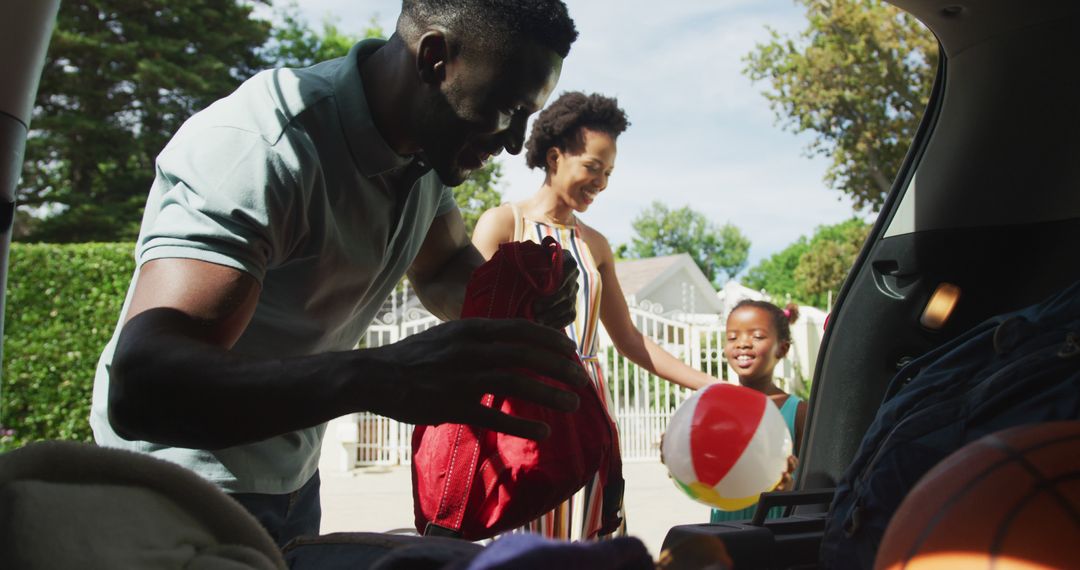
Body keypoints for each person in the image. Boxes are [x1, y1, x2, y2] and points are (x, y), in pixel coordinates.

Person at [89, 0, 585, 548]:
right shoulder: (262, 147)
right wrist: (381, 377)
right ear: (436, 58)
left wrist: (516, 298)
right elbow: (142, 386)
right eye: (508, 107)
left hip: (296, 477)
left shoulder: (428, 151)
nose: (516, 142)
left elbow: (442, 265)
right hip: (181, 486)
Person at [472, 92, 717, 540]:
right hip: (525, 407)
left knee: (589, 537)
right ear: (555, 156)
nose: (601, 182)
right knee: (528, 540)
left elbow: (631, 342)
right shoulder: (502, 224)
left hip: (589, 409)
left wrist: (711, 385)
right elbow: (468, 324)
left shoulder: (596, 244)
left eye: (608, 173)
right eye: (592, 166)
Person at [710, 299, 808, 523]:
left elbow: (810, 482)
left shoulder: (799, 412)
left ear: (782, 348)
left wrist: (789, 486)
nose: (743, 344)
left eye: (757, 336)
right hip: (726, 528)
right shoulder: (715, 408)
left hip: (774, 531)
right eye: (732, 337)